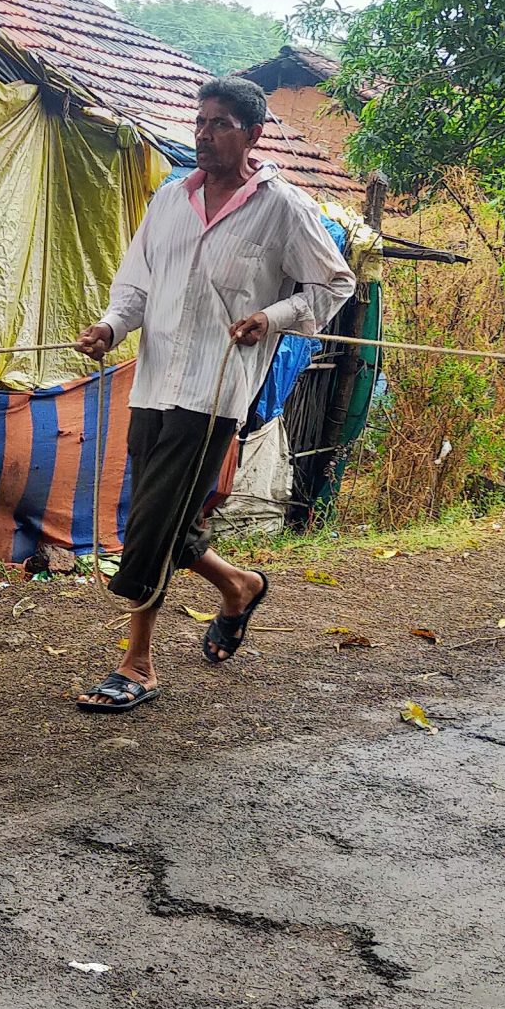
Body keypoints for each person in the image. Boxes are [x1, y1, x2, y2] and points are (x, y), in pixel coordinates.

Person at [72, 77, 355, 713]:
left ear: (254, 135)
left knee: (150, 525)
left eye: (220, 123)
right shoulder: (170, 200)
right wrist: (109, 328)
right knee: (162, 517)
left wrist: (273, 318)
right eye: (200, 121)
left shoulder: (285, 207)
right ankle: (239, 585)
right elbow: (136, 287)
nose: (204, 133)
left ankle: (137, 663)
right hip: (154, 382)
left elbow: (332, 285)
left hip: (215, 389)